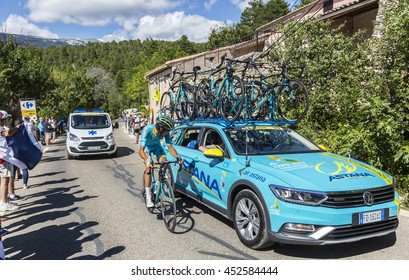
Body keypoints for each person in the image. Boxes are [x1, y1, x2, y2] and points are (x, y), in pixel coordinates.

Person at [138, 115, 183, 207]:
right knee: (148, 168)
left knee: (164, 162)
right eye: (166, 130)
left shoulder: (165, 132)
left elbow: (170, 147)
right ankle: (148, 197)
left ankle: (160, 181)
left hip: (157, 147)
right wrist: (147, 160)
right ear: (160, 127)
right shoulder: (147, 130)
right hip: (146, 148)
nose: (166, 133)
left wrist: (178, 157)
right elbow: (141, 150)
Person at [0, 110, 20, 212]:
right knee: (4, 180)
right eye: (7, 119)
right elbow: (7, 133)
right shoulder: (1, 128)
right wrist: (17, 127)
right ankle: (4, 203)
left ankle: (4, 200)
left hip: (4, 158)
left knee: (5, 180)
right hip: (3, 158)